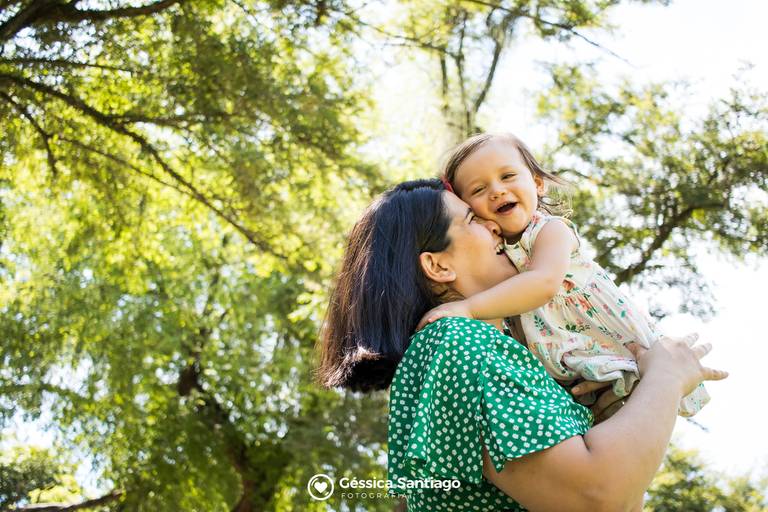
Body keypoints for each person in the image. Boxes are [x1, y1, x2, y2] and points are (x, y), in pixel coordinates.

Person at [317, 178, 727, 511]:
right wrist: (667, 377)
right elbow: (597, 498)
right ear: (438, 265)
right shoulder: (457, 341)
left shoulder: (494, 354)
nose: (495, 223)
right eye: (472, 220)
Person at [417, 133, 708, 416]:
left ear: (538, 184)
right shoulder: (499, 257)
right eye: (479, 190)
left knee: (637, 408)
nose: (496, 190)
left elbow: (543, 283)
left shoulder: (550, 230)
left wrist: (468, 308)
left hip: (612, 342)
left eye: (507, 176)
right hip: (576, 365)